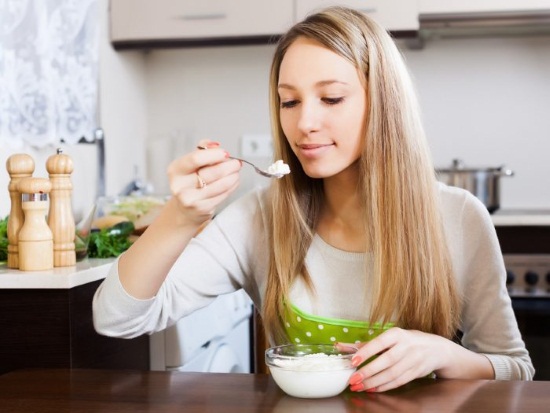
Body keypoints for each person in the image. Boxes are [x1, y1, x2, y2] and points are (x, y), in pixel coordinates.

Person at [93, 6, 534, 392]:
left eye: (331, 98)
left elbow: (516, 369)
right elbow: (116, 318)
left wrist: (443, 355)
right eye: (289, 102)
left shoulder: (459, 218)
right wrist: (180, 217)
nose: (305, 122)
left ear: (384, 103)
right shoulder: (262, 218)